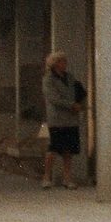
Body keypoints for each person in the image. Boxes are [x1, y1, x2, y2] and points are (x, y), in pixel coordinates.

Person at [41, 51, 84, 189]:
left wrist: (78, 102)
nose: (64, 64)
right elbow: (53, 98)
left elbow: (77, 90)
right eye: (61, 62)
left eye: (65, 62)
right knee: (54, 147)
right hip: (57, 119)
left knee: (68, 150)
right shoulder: (48, 80)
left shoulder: (69, 77)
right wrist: (71, 105)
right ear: (54, 64)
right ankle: (46, 177)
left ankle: (68, 179)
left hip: (71, 119)